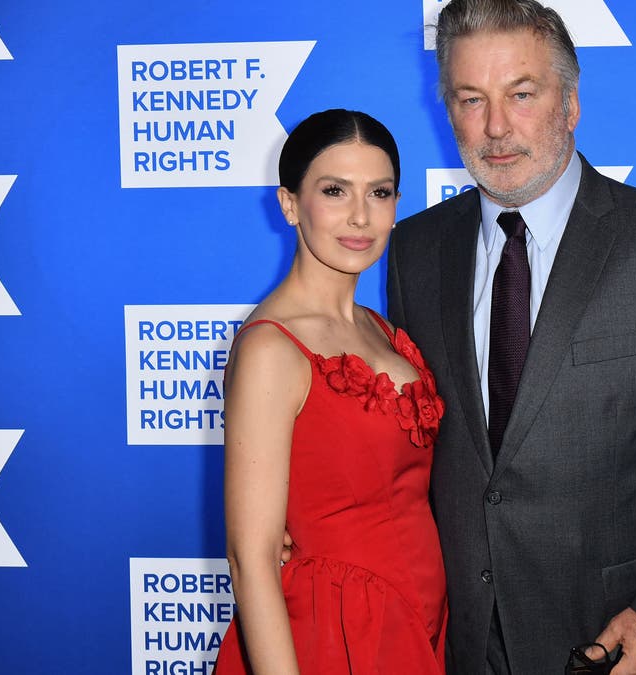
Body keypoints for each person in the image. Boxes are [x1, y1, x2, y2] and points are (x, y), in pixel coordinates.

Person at [385, 1, 636, 673]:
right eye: (470, 99)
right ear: (446, 109)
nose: (497, 127)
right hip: (459, 644)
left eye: (522, 94)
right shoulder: (414, 250)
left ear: (570, 104)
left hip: (619, 642)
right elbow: (410, 435)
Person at [213, 109, 447, 675]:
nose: (361, 217)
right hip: (333, 632)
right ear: (291, 204)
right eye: (335, 191)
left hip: (421, 623)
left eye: (380, 192)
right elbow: (252, 559)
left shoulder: (386, 331)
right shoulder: (272, 349)